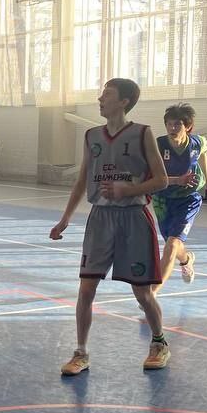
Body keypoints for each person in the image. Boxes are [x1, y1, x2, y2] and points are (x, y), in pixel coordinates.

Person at [49, 77, 170, 375]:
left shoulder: (143, 133)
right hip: (100, 219)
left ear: (124, 101)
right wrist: (65, 218)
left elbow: (162, 180)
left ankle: (159, 343)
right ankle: (81, 353)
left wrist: (128, 190)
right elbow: (82, 180)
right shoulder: (92, 136)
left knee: (142, 293)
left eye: (107, 94)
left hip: (134, 218)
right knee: (86, 288)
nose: (100, 99)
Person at [153, 103, 207, 286]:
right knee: (173, 245)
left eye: (177, 124)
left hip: (188, 199)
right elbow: (152, 176)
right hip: (163, 200)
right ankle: (187, 260)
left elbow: (203, 153)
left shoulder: (198, 142)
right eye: (169, 124)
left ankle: (152, 292)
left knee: (172, 245)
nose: (172, 128)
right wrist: (176, 180)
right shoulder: (158, 145)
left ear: (188, 127)